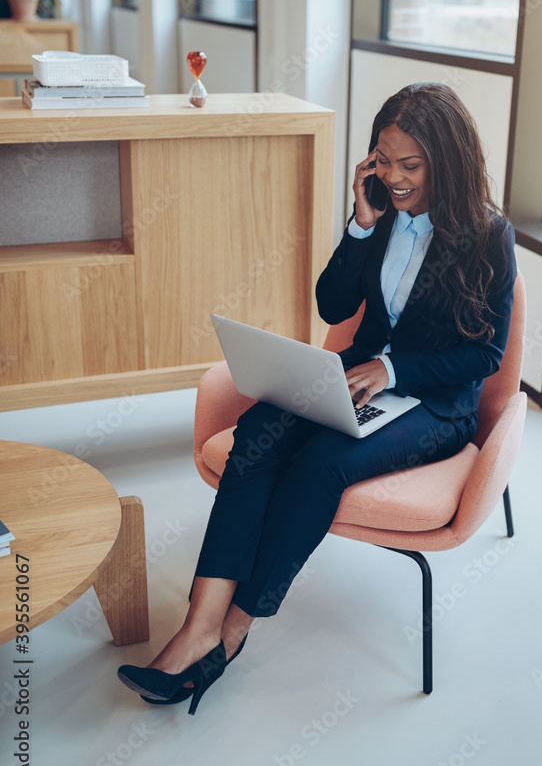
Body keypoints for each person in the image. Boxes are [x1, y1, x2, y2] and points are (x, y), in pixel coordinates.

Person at [117, 81, 517, 714]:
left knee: (321, 462)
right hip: (356, 377)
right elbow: (333, 305)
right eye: (383, 162)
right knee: (257, 433)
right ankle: (198, 622)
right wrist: (360, 226)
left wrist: (393, 369)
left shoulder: (490, 234)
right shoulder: (380, 216)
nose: (394, 177)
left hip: (437, 404)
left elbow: (486, 358)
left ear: (449, 161)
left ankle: (230, 632)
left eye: (410, 165)